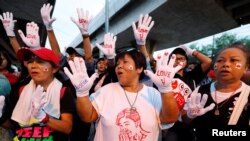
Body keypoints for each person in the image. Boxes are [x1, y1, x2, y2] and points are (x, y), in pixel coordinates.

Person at [64, 47, 182, 140]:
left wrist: (166, 89)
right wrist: (82, 93)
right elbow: (87, 117)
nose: (119, 66)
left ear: (139, 68)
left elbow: (170, 118)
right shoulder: (106, 91)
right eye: (118, 63)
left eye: (125, 62)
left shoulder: (153, 94)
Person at [2, 47, 75, 141]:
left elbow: (67, 128)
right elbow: (13, 125)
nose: (33, 65)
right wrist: (1, 117)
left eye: (40, 62)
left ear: (54, 69)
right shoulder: (20, 91)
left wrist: (44, 118)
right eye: (30, 61)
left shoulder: (63, 92)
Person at [182, 42, 250, 140]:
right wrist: (190, 115)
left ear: (246, 68)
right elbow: (185, 119)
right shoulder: (200, 90)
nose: (226, 64)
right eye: (220, 60)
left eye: (234, 60)